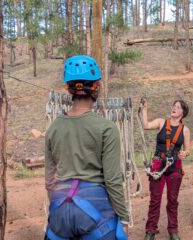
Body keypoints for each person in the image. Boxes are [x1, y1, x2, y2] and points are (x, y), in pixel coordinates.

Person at [45, 55, 128, 239]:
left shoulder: (54, 128)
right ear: (96, 87)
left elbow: (49, 180)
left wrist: (59, 208)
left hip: (59, 207)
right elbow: (113, 180)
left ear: (69, 89)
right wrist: (124, 218)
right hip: (95, 208)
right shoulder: (106, 128)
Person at [140, 99, 191, 240]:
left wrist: (184, 153)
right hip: (158, 165)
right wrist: (145, 108)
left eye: (178, 107)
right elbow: (145, 125)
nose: (174, 108)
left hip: (175, 166)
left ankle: (173, 231)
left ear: (183, 112)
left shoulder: (185, 130)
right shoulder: (161, 122)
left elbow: (188, 149)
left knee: (173, 200)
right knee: (155, 199)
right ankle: (150, 230)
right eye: (173, 106)